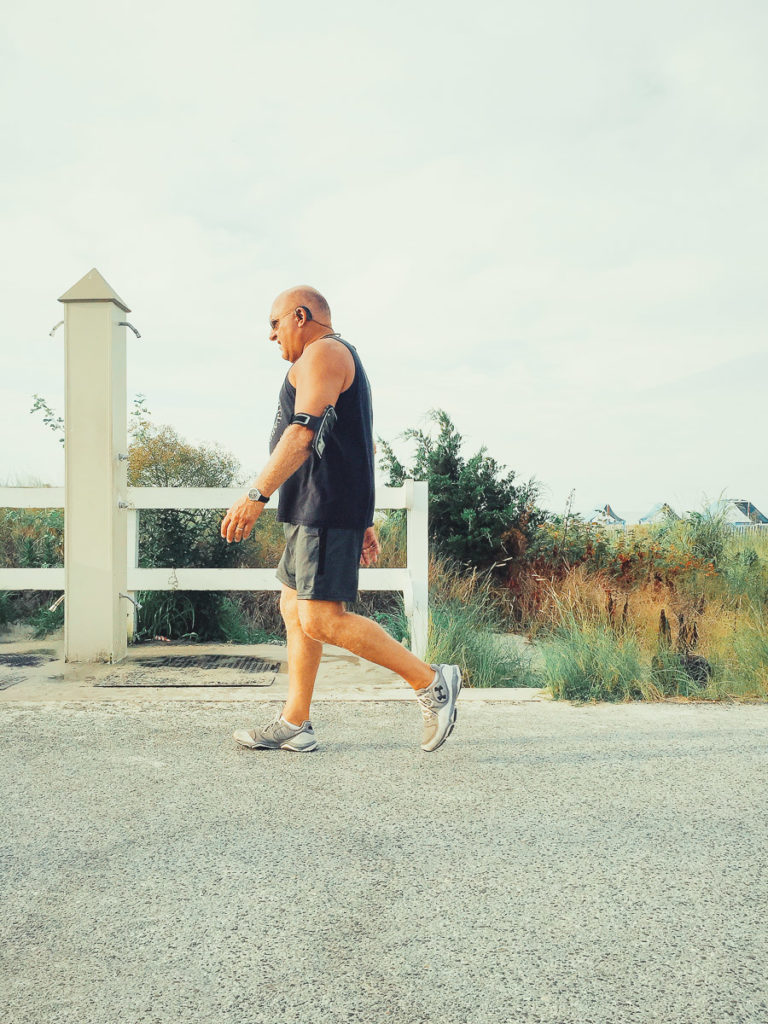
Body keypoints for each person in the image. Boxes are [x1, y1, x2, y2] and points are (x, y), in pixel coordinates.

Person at [221, 286, 462, 753]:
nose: (271, 336)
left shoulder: (323, 352)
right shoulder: (325, 358)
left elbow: (302, 435)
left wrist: (256, 495)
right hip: (315, 506)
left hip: (324, 508)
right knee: (294, 609)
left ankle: (432, 681)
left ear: (301, 315)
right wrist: (366, 518)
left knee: (321, 618)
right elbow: (361, 445)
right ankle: (296, 722)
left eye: (275, 324)